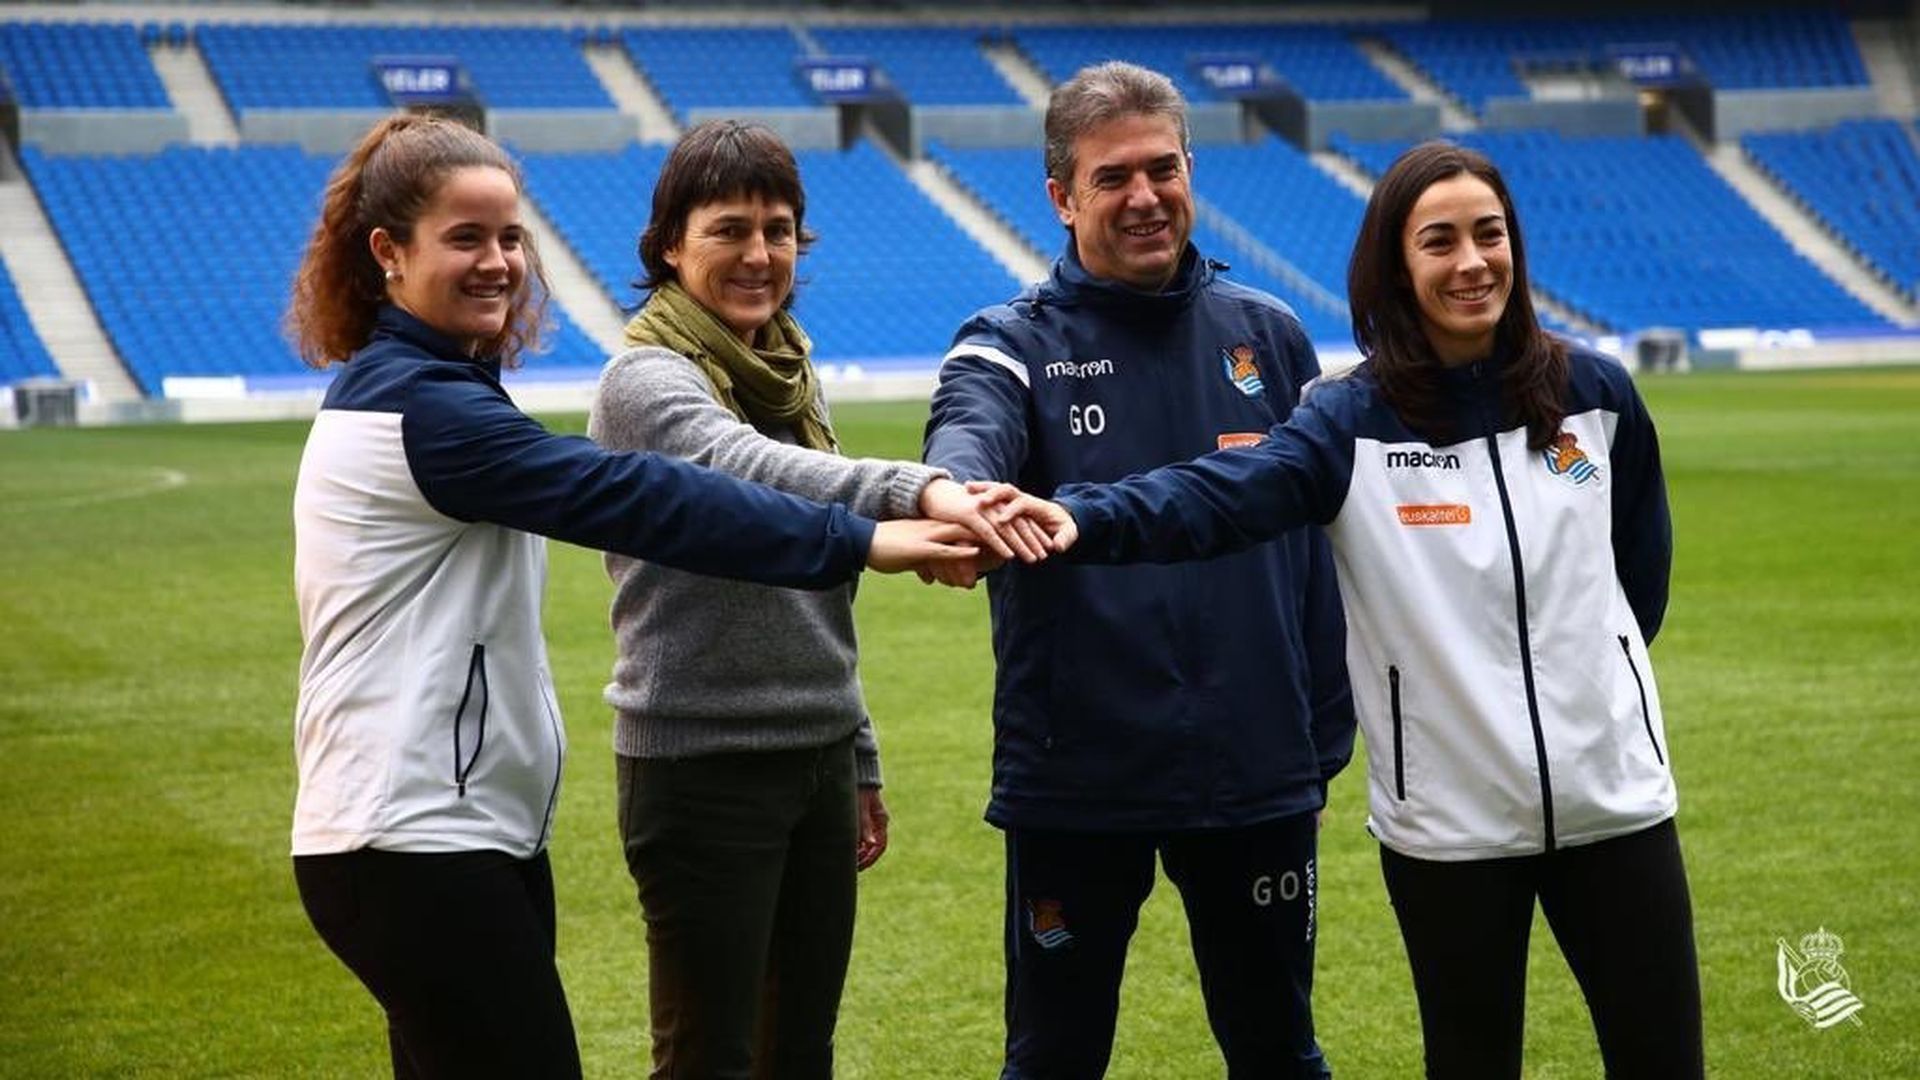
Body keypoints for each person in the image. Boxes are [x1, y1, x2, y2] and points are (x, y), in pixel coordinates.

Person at [286, 113, 977, 1080]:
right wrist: (866, 532)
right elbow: (648, 494)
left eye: (510, 237)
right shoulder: (426, 410)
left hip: (455, 828)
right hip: (408, 833)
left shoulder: (439, 388)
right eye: (465, 238)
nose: (499, 262)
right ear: (388, 254)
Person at [998, 140, 1703, 1079]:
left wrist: (1594, 691)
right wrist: (1073, 518)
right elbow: (1212, 497)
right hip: (1451, 824)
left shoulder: (1597, 395)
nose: (1471, 262)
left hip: (1616, 802)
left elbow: (1636, 582)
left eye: (1489, 235)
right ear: (1397, 267)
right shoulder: (1349, 421)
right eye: (1439, 242)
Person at [921, 62, 1355, 1079]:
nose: (1146, 197)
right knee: (1053, 1058)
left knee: (1280, 1054)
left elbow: (1321, 561)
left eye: (1164, 169)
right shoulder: (1009, 345)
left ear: (1192, 170)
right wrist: (956, 496)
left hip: (1254, 773)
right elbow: (966, 437)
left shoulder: (1273, 338)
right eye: (1112, 178)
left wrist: (1315, 738)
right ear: (1061, 197)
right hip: (1078, 779)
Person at [588, 119, 1039, 1080]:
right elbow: (751, 475)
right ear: (671, 244)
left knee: (800, 1050)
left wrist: (859, 751)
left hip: (817, 758)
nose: (760, 254)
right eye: (730, 230)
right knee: (707, 1056)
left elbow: (818, 594)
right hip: (701, 759)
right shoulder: (645, 382)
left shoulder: (790, 368)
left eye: (780, 229)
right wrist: (924, 492)